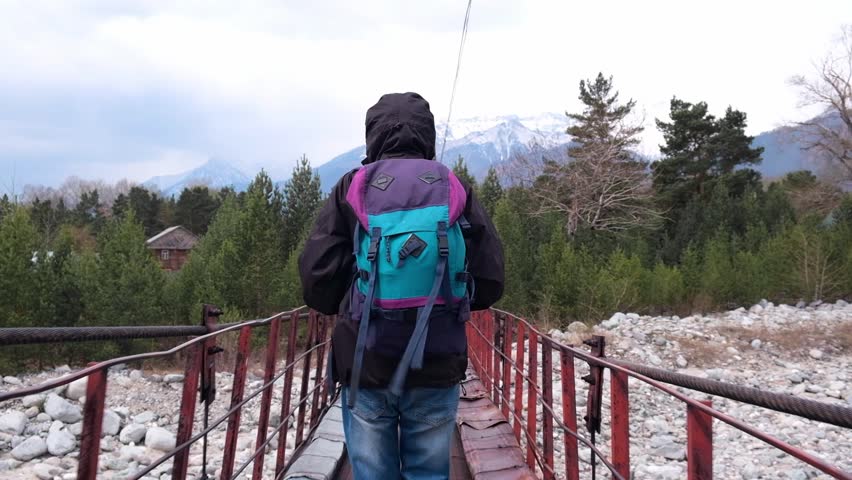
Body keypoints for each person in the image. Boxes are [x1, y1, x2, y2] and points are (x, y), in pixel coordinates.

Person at [299, 92, 504, 480]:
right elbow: (491, 282)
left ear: (372, 135)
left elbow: (317, 283)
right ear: (426, 135)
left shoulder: (353, 186)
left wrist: (361, 289)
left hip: (366, 361)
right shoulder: (451, 186)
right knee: (428, 472)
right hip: (438, 357)